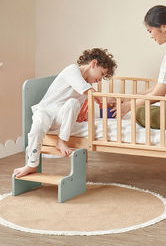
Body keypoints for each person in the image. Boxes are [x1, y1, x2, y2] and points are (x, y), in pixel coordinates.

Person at [14, 48, 117, 178]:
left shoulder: (86, 89)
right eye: (102, 74)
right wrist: (103, 98)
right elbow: (89, 92)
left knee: (73, 103)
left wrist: (116, 102)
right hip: (46, 111)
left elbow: (81, 105)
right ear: (93, 63)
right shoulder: (72, 71)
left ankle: (62, 140)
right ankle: (32, 164)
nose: (100, 80)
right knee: (38, 127)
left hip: (59, 119)